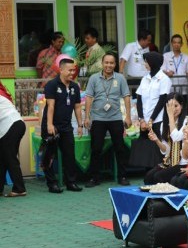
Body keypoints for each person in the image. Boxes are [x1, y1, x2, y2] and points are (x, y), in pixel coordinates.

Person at [84, 54, 132, 187]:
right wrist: (87, 117)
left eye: (111, 63)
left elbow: (127, 97)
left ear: (115, 64)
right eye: (106, 63)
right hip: (98, 118)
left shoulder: (120, 78)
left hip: (116, 118)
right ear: (102, 63)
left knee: (120, 148)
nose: (108, 65)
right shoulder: (94, 78)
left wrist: (128, 116)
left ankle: (122, 176)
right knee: (96, 148)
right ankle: (94, 178)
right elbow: (88, 97)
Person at [40, 58, 83, 193]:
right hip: (51, 126)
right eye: (69, 70)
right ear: (61, 70)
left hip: (66, 126)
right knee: (49, 156)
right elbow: (50, 106)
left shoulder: (75, 87)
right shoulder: (52, 85)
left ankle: (71, 182)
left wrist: (80, 125)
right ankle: (52, 184)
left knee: (69, 155)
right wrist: (50, 125)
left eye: (74, 70)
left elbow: (77, 107)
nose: (72, 73)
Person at [131, 52, 172, 168]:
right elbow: (139, 98)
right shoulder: (145, 78)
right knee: (145, 149)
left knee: (158, 148)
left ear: (153, 63)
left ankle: (159, 175)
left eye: (146, 61)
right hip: (145, 120)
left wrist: (152, 119)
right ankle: (147, 175)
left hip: (158, 119)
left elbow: (162, 100)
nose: (145, 64)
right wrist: (141, 119)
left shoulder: (164, 79)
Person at [144, 92, 187, 184]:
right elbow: (166, 150)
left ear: (182, 106)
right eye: (170, 107)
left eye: (176, 106)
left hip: (184, 162)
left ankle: (163, 198)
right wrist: (157, 140)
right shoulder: (163, 124)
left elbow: (177, 137)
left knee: (159, 176)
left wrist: (170, 116)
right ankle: (152, 198)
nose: (173, 109)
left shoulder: (187, 121)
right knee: (149, 176)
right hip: (170, 161)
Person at [0, 84, 27, 197]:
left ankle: (19, 189)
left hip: (11, 126)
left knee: (9, 157)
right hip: (16, 125)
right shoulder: (2, 95)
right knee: (2, 158)